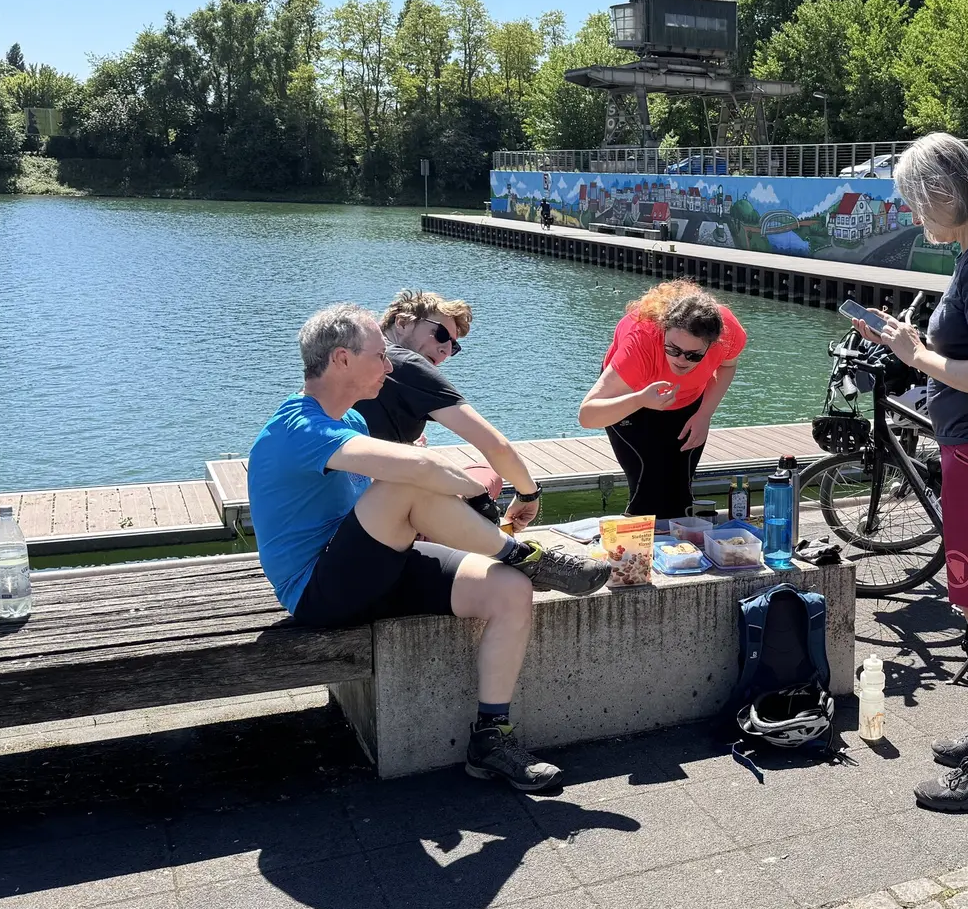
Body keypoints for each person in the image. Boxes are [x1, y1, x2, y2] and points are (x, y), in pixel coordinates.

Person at [248, 303, 609, 792]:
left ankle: (491, 739)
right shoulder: (299, 428)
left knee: (507, 591)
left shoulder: (350, 419)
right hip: (318, 592)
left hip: (370, 570)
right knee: (408, 483)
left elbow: (389, 500)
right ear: (341, 360)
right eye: (380, 355)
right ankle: (527, 556)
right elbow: (411, 480)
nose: (391, 365)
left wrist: (446, 496)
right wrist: (473, 488)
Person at [849, 133, 968, 812]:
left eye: (914, 203)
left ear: (942, 193)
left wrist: (915, 353)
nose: (913, 217)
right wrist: (922, 350)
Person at [354, 289, 543, 530]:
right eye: (440, 334)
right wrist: (529, 494)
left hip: (347, 494)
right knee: (488, 477)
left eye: (453, 346)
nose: (445, 349)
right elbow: (496, 447)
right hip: (375, 510)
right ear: (402, 322)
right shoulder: (407, 364)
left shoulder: (355, 355)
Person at [576, 281, 747, 518]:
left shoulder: (728, 331)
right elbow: (587, 415)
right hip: (632, 398)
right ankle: (638, 550)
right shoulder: (640, 344)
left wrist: (705, 414)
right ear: (664, 331)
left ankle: (680, 553)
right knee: (648, 488)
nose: (680, 360)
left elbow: (727, 366)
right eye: (673, 349)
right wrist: (639, 400)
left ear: (712, 344)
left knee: (680, 490)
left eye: (693, 355)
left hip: (688, 401)